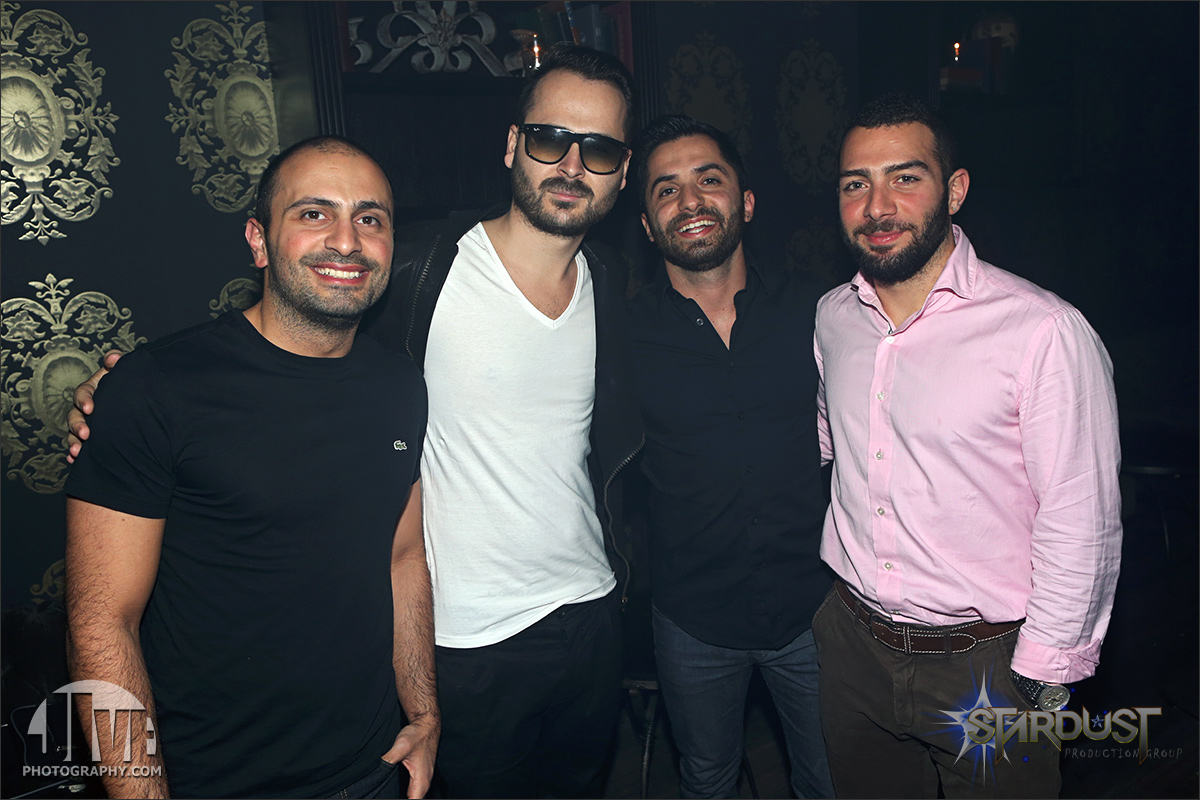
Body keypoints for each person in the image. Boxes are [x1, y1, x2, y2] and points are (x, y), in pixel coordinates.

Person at [64, 136, 438, 799]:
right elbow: (101, 624)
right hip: (215, 782)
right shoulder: (156, 388)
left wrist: (425, 716)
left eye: (370, 218)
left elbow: (403, 557)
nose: (347, 241)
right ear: (259, 241)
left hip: (374, 769)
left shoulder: (401, 384)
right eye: (314, 213)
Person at [812, 93, 1122, 798]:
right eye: (856, 184)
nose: (877, 206)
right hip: (853, 648)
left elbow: (1082, 518)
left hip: (987, 664)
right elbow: (834, 453)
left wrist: (1042, 677)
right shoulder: (833, 317)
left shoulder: (1042, 332)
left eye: (905, 178)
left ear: (954, 191)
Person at [624, 114, 834, 799]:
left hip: (816, 607)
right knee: (708, 779)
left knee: (829, 780)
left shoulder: (820, 312)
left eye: (708, 180)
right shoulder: (620, 337)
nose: (689, 201)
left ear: (744, 202)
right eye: (666, 189)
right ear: (647, 225)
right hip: (693, 619)